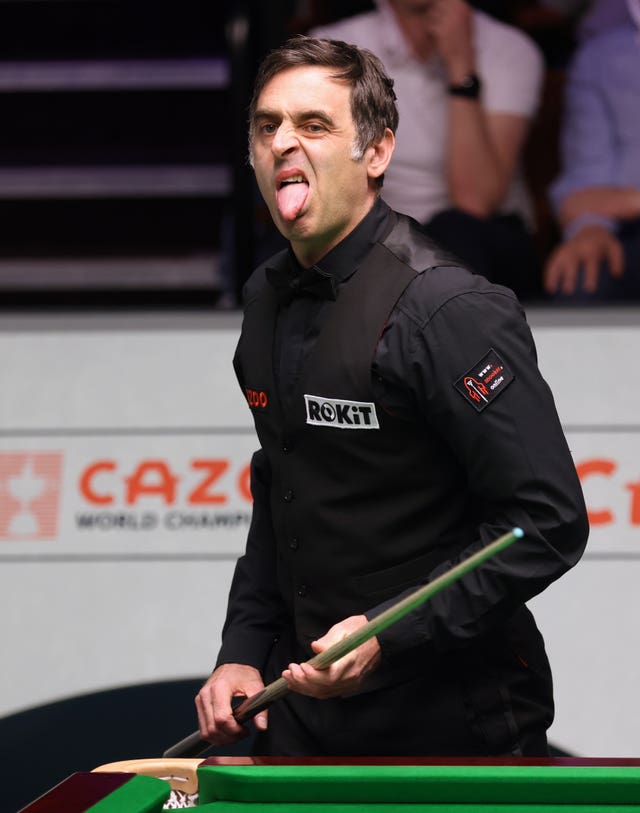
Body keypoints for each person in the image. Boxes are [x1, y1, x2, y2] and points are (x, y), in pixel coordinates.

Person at [195, 35, 588, 757]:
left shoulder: (447, 307)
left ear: (375, 154)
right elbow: (283, 493)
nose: (284, 141)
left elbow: (548, 520)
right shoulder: (263, 301)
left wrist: (389, 631)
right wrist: (242, 647)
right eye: (267, 125)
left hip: (453, 723)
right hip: (308, 720)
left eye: (313, 125)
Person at [307, 0, 545, 301]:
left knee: (456, 233)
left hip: (483, 240)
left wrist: (461, 67)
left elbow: (475, 201)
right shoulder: (331, 48)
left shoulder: (509, 49)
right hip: (375, 233)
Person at [544, 0, 640, 301]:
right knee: (582, 277)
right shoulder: (602, 56)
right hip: (629, 230)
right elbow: (583, 192)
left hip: (627, 207)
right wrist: (590, 228)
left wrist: (627, 200)